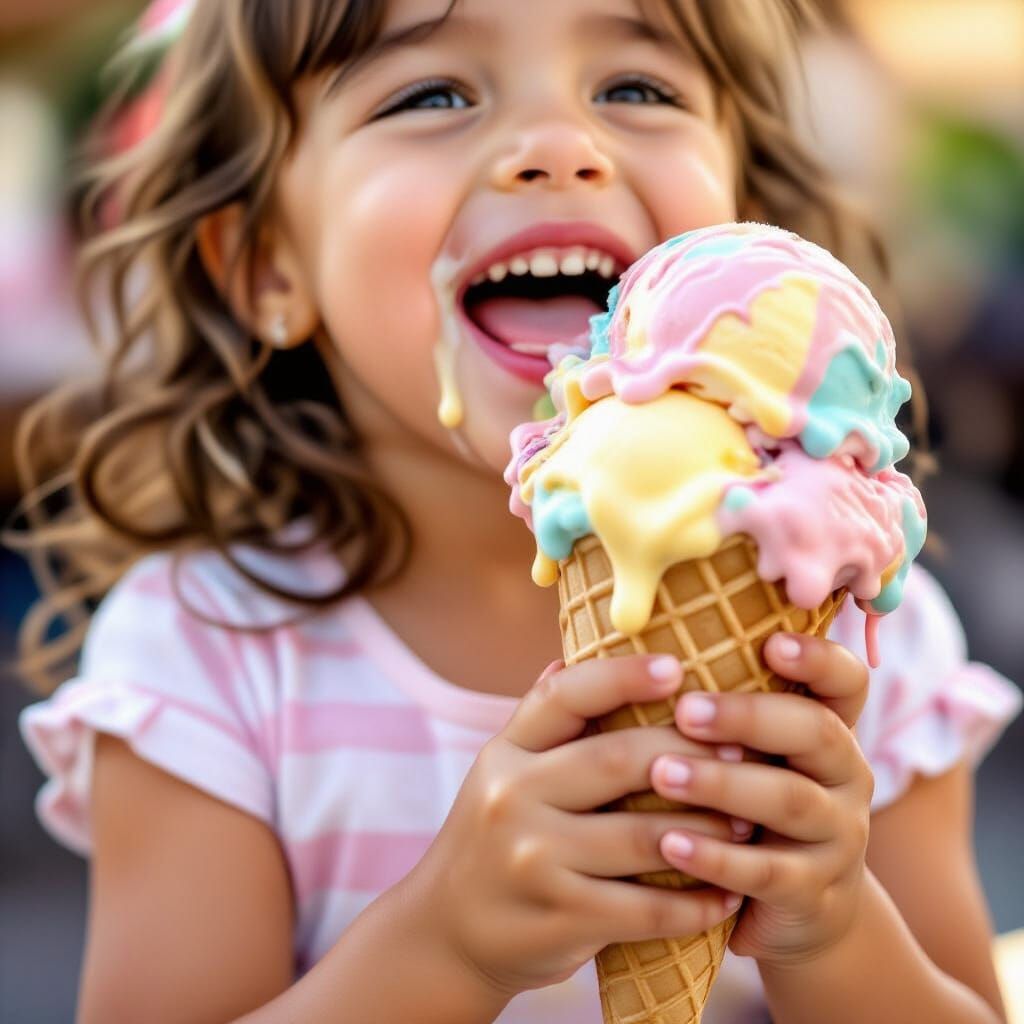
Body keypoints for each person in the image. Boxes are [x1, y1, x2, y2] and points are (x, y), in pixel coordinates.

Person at [9, 1, 1021, 1021]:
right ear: (269, 263)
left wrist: (838, 932)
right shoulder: (206, 659)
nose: (559, 146)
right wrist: (443, 941)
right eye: (431, 93)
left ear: (746, 226)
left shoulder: (853, 635)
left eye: (636, 88)